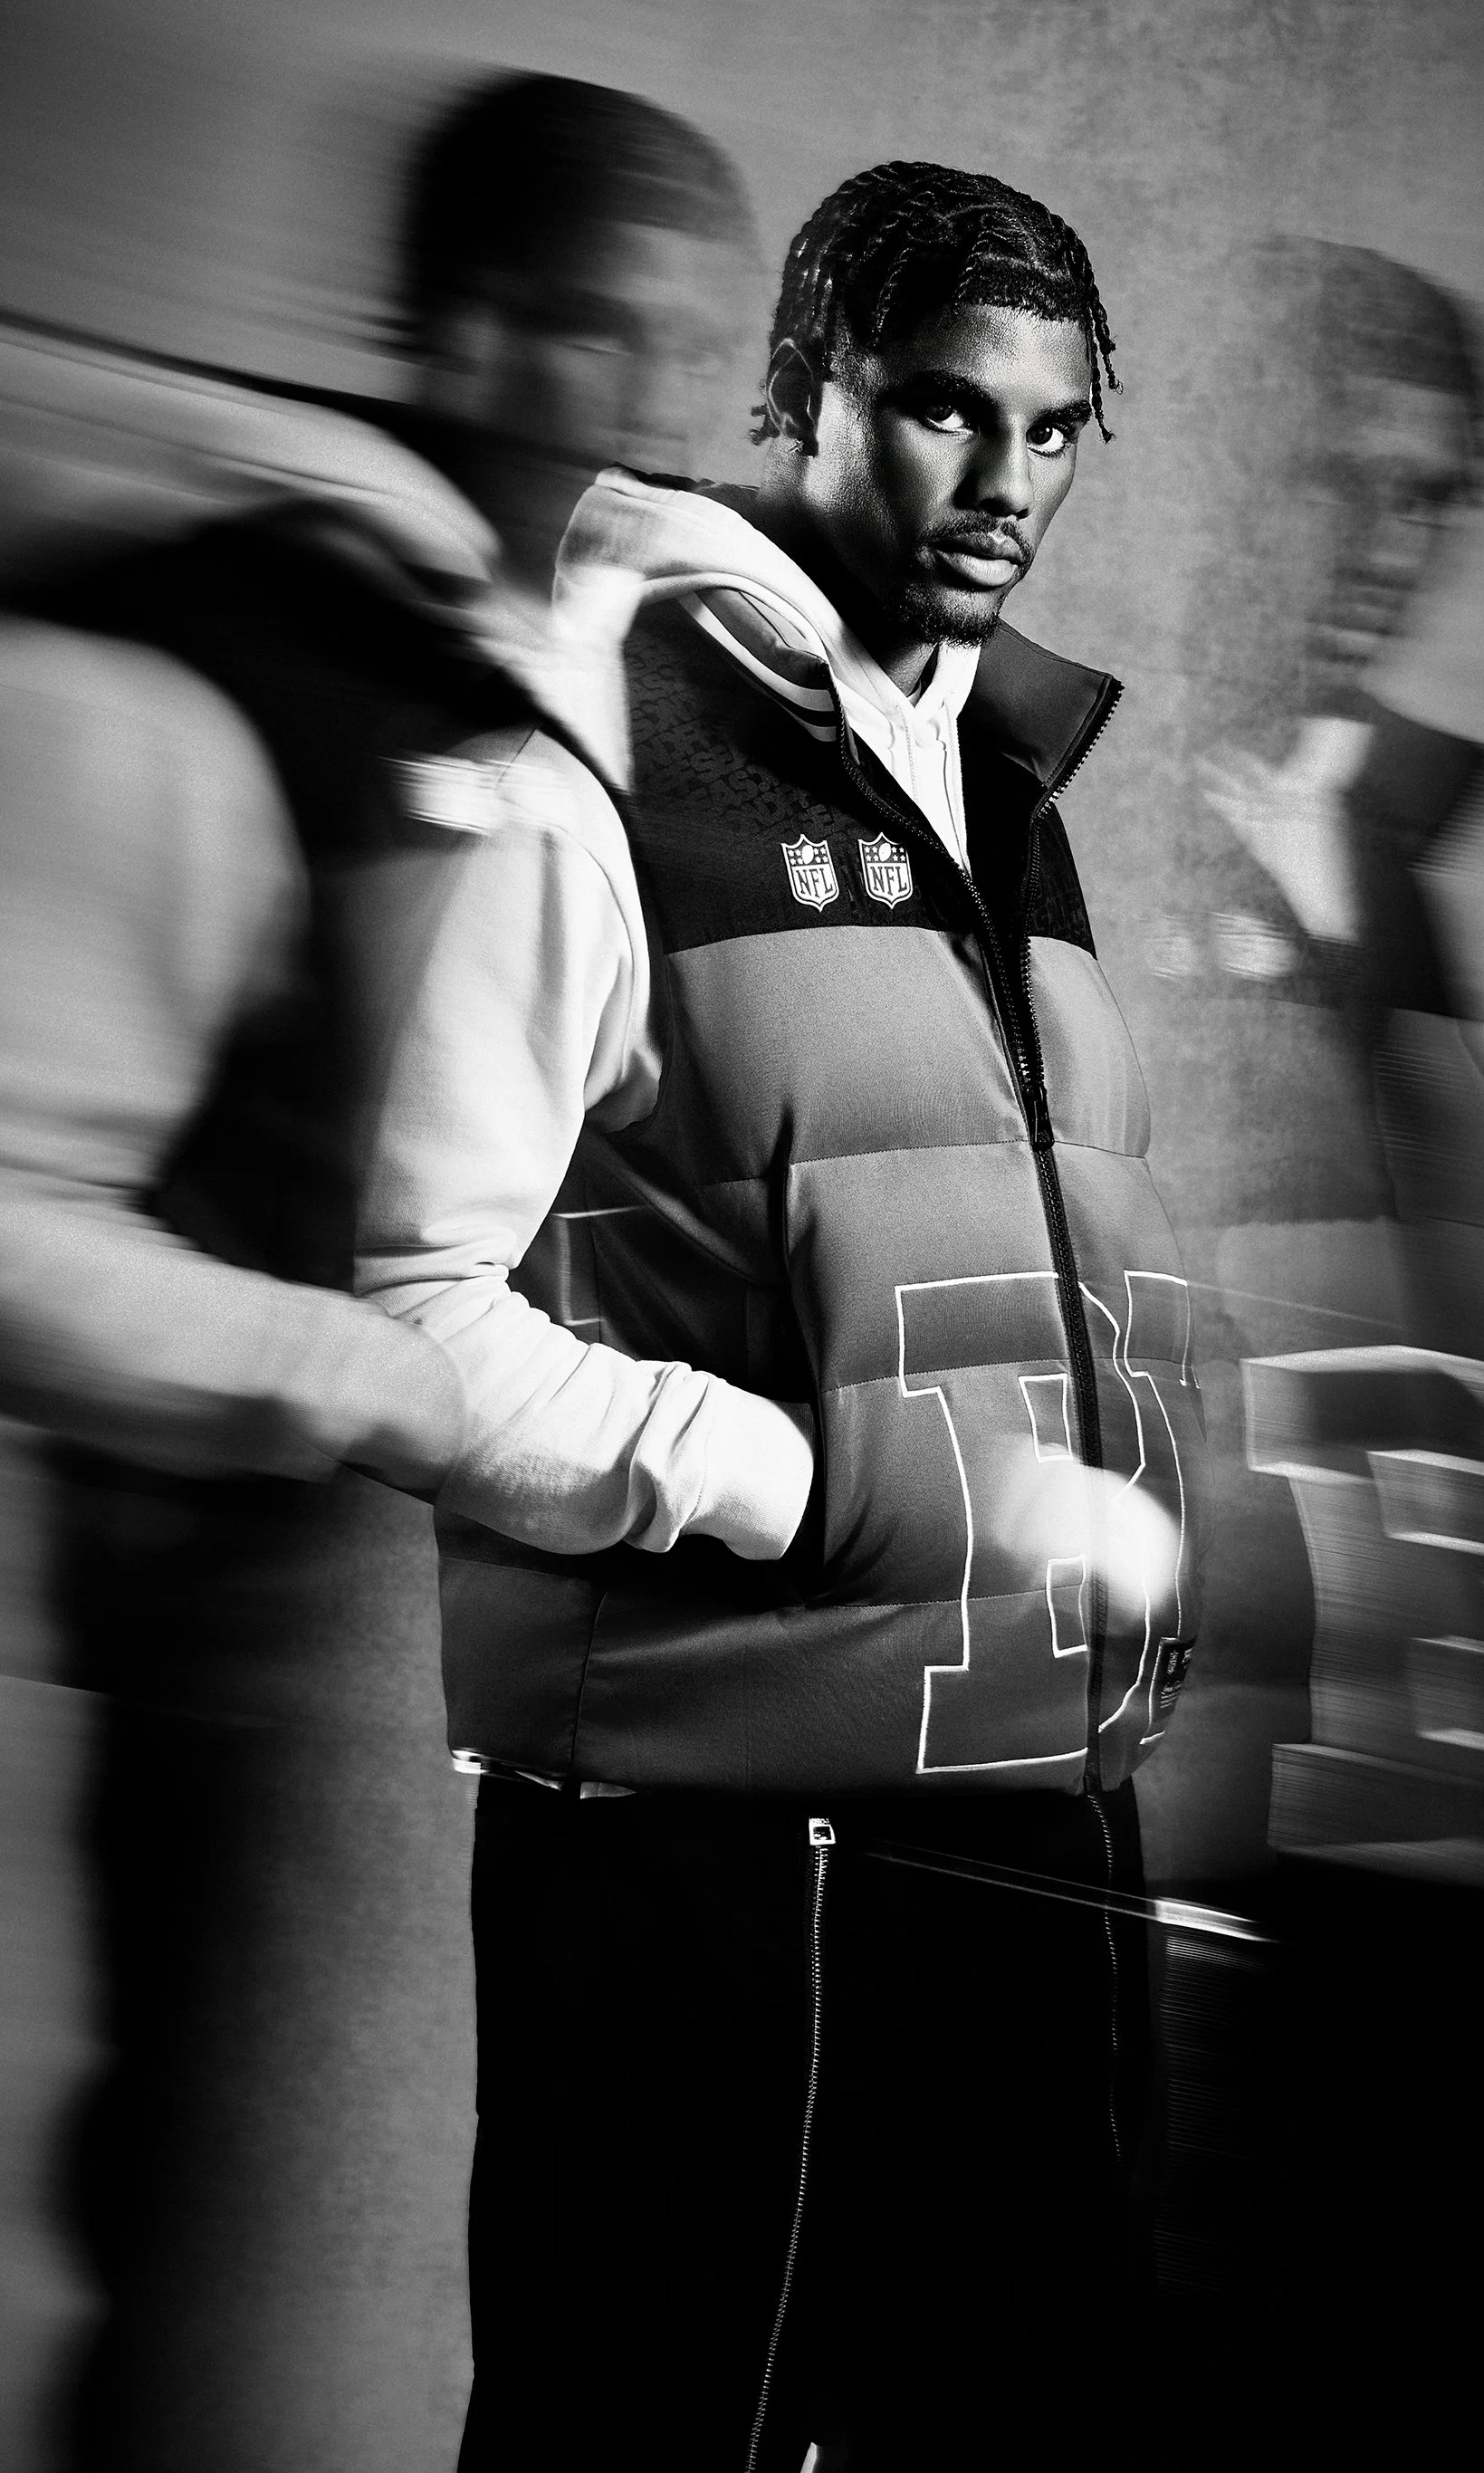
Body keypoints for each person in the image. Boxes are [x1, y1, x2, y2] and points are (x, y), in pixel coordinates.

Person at [358, 159, 1208, 2470]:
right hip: (714, 1843)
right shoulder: (588, 752)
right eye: (944, 411)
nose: (1004, 486)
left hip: (1027, 1806)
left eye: (1054, 429)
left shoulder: (1005, 786)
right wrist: (812, 1491)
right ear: (806, 384)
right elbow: (406, 1314)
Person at [0, 73, 755, 2468]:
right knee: (281, 2379)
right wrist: (404, 1392)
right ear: (454, 323)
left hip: (515, 1633)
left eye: (693, 355)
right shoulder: (194, 646)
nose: (655, 413)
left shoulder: (573, 667)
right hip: (286, 1620)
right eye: (597, 339)